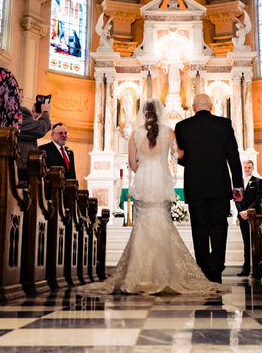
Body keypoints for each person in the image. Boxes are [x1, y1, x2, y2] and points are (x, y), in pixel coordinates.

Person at [80, 98, 224, 294]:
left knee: (142, 226)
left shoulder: (135, 134)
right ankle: (164, 273)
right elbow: (179, 155)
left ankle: (140, 274)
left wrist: (144, 166)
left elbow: (132, 163)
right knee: (163, 223)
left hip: (144, 182)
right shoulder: (168, 132)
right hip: (161, 181)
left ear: (143, 113)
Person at [175, 93, 245, 284]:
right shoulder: (224, 125)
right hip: (219, 187)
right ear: (212, 106)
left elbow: (179, 157)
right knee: (219, 227)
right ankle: (217, 268)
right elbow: (233, 156)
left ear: (193, 107)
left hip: (195, 187)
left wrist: (193, 164)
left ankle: (204, 269)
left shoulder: (182, 126)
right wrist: (237, 184)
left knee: (199, 229)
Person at [235, 160, 262, 276]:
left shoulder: (258, 181)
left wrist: (249, 210)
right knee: (246, 242)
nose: (247, 169)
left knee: (255, 241)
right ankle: (246, 269)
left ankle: (257, 268)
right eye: (245, 167)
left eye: (249, 167)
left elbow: (258, 197)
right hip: (242, 216)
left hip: (254, 215)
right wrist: (241, 211)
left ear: (252, 168)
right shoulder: (238, 182)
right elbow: (236, 199)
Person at [18, 98, 52, 171]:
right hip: (21, 166)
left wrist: (34, 118)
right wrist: (46, 112)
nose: (22, 95)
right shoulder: (20, 111)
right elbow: (40, 130)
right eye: (19, 90)